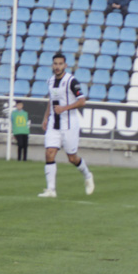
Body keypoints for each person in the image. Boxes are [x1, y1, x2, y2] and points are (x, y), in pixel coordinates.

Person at [38, 53, 95, 198]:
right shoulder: (50, 81)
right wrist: (45, 118)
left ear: (65, 65)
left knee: (72, 158)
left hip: (69, 124)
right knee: (49, 153)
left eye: (60, 64)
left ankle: (88, 175)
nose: (57, 67)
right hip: (54, 123)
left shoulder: (71, 81)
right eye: (55, 64)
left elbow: (82, 101)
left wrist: (64, 108)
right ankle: (51, 190)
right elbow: (51, 100)